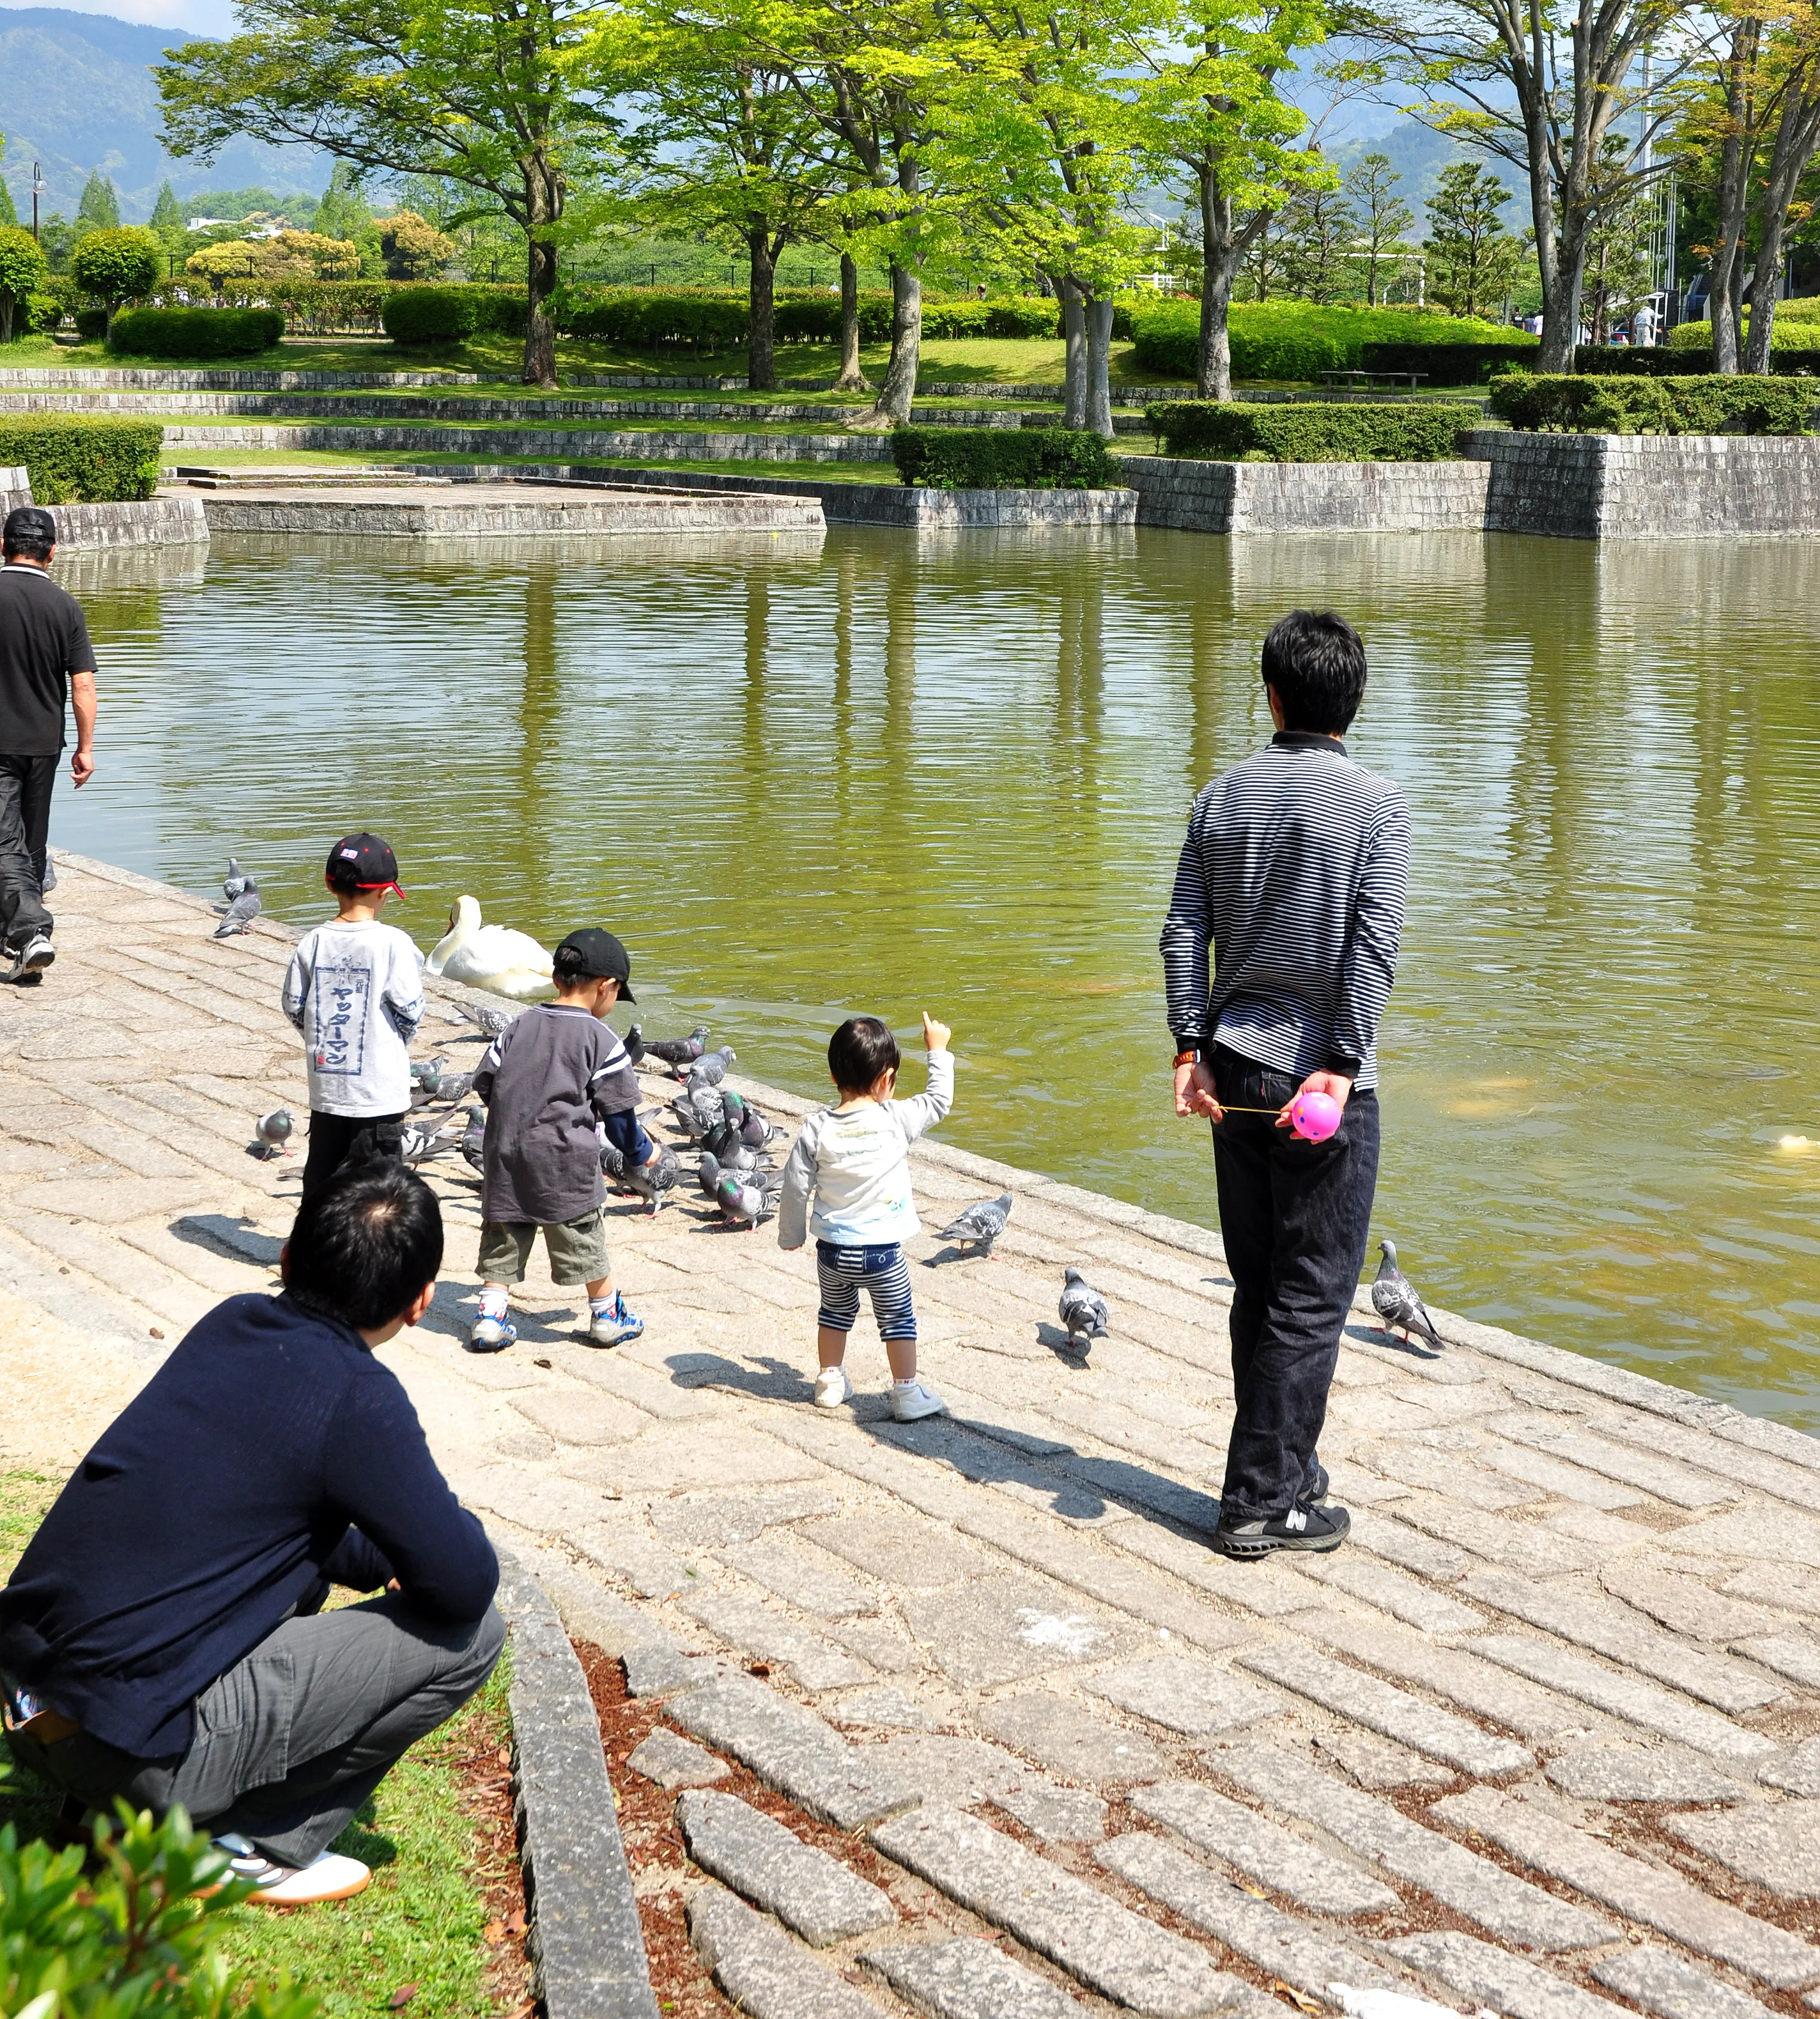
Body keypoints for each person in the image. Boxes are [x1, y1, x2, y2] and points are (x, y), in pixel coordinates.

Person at [0, 1164, 502, 1907]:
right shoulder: (360, 1397)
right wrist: (426, 1545)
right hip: (131, 1754)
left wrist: (380, 1560)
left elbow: (269, 1516)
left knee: (279, 1576)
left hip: (26, 1706)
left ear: (287, 1260)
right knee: (473, 1638)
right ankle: (253, 1843)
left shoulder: (234, 1323)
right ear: (422, 1303)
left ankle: (103, 1814)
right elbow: (464, 1585)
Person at [1160, 610, 1410, 1559]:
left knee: (1260, 1282)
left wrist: (1190, 1048)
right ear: (1355, 700)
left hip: (1232, 1069)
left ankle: (1286, 1465)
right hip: (1320, 1079)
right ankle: (1263, 1500)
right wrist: (1343, 1065)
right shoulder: (1378, 806)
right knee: (1310, 1294)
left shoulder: (1220, 797)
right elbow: (1372, 950)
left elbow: (1185, 931)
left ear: (1270, 694)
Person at [469, 927, 652, 1352]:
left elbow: (485, 1082)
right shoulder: (602, 1041)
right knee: (583, 1234)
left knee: (505, 1231)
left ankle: (490, 1318)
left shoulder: (518, 1026)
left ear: (556, 979)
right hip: (565, 1160)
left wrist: (518, 1115)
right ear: (607, 987)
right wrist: (645, 1152)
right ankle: (607, 1315)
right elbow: (621, 1120)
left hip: (506, 1153)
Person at [777, 1012, 953, 1423]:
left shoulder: (817, 1128)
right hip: (883, 1256)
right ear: (886, 1078)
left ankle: (830, 1381)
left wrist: (792, 1233)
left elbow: (795, 1185)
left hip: (833, 1253)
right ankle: (907, 1393)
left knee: (834, 1314)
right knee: (897, 1320)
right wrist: (938, 1051)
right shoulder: (895, 1119)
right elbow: (938, 1101)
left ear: (833, 1073)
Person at [282, 833, 425, 1201]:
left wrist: (323, 1038)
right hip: (378, 1092)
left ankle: (316, 1249)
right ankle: (372, 1255)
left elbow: (295, 1006)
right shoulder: (394, 943)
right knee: (379, 1189)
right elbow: (410, 1010)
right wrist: (392, 1043)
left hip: (327, 1090)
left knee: (323, 1181)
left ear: (331, 884)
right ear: (386, 892)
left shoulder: (312, 941)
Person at [0, 505, 96, 984]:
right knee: (31, 840)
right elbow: (83, 686)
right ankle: (17, 933)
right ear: (52, 552)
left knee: (4, 839)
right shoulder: (66, 606)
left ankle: (30, 932)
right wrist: (86, 747)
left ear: (3, 545)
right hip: (44, 741)